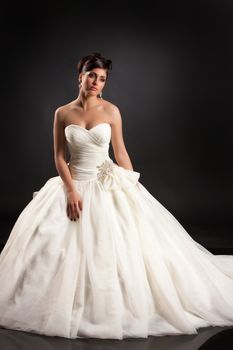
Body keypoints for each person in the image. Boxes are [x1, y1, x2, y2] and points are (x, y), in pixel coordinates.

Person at [0, 52, 233, 341]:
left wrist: (131, 185)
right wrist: (71, 189)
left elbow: (120, 152)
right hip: (75, 181)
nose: (97, 82)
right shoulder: (62, 112)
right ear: (80, 76)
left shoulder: (111, 111)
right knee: (52, 247)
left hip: (107, 180)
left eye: (102, 78)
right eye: (92, 76)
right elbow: (59, 156)